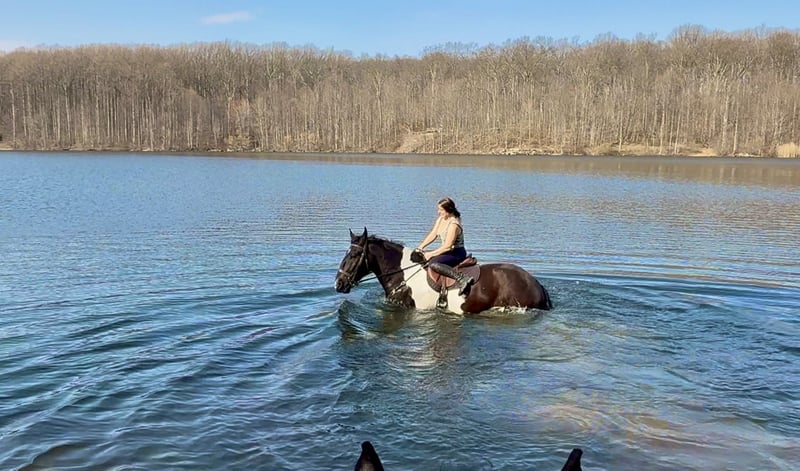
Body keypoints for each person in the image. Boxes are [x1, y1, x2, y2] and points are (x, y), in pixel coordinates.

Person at [414, 197, 475, 297]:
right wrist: (420, 247)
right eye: (438, 209)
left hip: (456, 253)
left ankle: (462, 279)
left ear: (449, 210)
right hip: (447, 251)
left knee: (433, 264)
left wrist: (430, 254)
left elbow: (448, 246)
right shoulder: (441, 219)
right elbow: (433, 234)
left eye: (441, 210)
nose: (438, 212)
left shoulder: (454, 224)